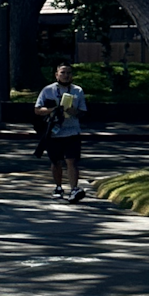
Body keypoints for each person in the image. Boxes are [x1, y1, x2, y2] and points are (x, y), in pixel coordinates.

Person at [35, 62, 89, 200]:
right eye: (63, 72)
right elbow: (37, 110)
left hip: (72, 131)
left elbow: (83, 112)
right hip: (54, 132)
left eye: (68, 73)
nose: (66, 75)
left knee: (71, 160)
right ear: (57, 74)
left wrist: (74, 111)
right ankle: (58, 187)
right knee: (56, 162)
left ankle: (74, 189)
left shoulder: (77, 91)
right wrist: (53, 110)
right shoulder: (48, 90)